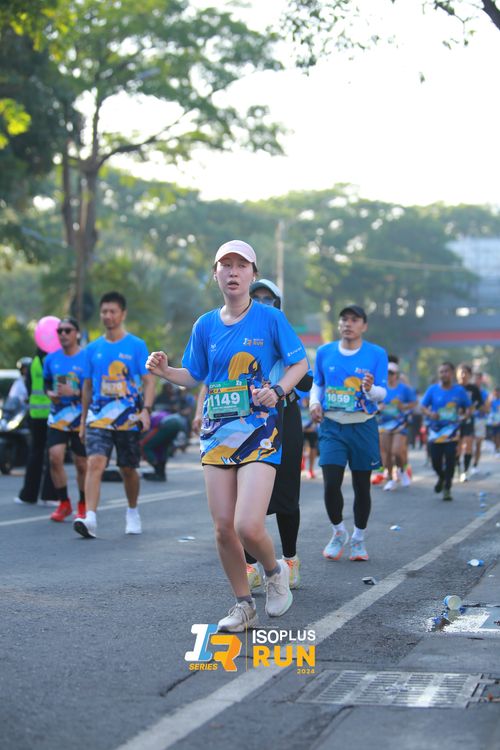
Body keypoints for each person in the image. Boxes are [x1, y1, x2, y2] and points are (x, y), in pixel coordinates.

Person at [146, 240, 308, 632]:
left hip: (259, 432)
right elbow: (194, 374)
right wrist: (165, 371)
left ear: (253, 274)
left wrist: (278, 390)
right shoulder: (204, 325)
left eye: (241, 265)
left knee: (247, 525)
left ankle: (274, 572)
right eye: (226, 265)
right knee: (222, 528)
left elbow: (300, 363)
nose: (233, 272)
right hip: (218, 434)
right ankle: (243, 606)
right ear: (215, 274)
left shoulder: (270, 319)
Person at [73, 291, 155, 539]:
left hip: (128, 418)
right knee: (95, 463)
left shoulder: (137, 345)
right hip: (98, 417)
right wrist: (83, 421)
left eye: (112, 311)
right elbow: (87, 387)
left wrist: (146, 410)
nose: (108, 316)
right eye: (104, 312)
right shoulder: (92, 349)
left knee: (128, 469)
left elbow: (149, 382)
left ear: (122, 314)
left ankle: (132, 511)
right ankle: (90, 518)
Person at [310, 305, 388, 562]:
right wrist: (314, 403)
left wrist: (370, 389)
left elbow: (382, 393)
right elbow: (318, 384)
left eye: (354, 320)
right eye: (344, 319)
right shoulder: (324, 352)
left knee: (361, 486)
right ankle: (338, 532)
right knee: (331, 482)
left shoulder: (377, 354)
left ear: (364, 326)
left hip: (363, 425)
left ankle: (358, 538)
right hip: (332, 425)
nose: (348, 324)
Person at [43, 317, 87, 522]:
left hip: (81, 417)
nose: (63, 334)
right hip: (58, 416)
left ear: (76, 333)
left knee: (81, 464)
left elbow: (94, 389)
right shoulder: (50, 359)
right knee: (55, 457)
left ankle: (83, 504)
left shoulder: (86, 357)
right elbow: (46, 383)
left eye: (67, 330)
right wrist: (50, 393)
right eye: (59, 331)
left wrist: (75, 392)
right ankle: (64, 503)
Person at [421, 362, 471, 501]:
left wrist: (465, 415)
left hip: (452, 432)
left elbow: (468, 407)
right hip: (435, 432)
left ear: (452, 373)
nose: (444, 374)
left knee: (450, 459)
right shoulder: (432, 389)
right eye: (441, 372)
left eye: (446, 371)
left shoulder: (459, 391)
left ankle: (447, 487)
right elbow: (423, 406)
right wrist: (430, 414)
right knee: (435, 461)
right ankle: (442, 477)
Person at [14, 346, 57, 506]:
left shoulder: (34, 363)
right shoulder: (55, 361)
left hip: (36, 414)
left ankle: (28, 495)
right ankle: (50, 496)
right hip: (53, 413)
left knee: (35, 454)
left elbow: (28, 386)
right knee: (53, 455)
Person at [377, 361, 416, 491]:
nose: (389, 375)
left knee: (397, 451)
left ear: (397, 375)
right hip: (384, 424)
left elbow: (414, 403)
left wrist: (403, 406)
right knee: (386, 453)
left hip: (400, 424)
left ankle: (402, 471)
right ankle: (391, 479)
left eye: (391, 373)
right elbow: (372, 402)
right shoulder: (381, 388)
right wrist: (379, 407)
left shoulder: (404, 389)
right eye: (387, 373)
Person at [456, 364, 483, 482]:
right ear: (456, 374)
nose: (463, 375)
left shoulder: (473, 389)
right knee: (457, 447)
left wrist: (472, 409)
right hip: (454, 422)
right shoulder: (453, 388)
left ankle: (465, 471)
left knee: (468, 446)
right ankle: (458, 468)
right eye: (461, 372)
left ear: (469, 375)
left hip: (468, 420)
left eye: (465, 372)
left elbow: (479, 403)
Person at [140, 410, 185, 481]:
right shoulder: (156, 413)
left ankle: (158, 471)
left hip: (167, 424)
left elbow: (149, 435)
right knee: (163, 447)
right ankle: (162, 474)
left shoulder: (147, 419)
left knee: (146, 446)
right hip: (178, 422)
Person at [472, 371, 489, 474]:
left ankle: (475, 465)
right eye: (474, 378)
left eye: (478, 379)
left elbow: (487, 409)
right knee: (468, 443)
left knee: (478, 444)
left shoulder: (484, 393)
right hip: (468, 420)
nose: (476, 381)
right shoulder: (468, 391)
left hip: (480, 420)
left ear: (481, 380)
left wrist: (479, 407)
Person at [301, 396, 318, 480]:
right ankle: (302, 462)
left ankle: (310, 470)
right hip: (300, 427)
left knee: (312, 447)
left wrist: (314, 425)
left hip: (311, 429)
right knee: (299, 447)